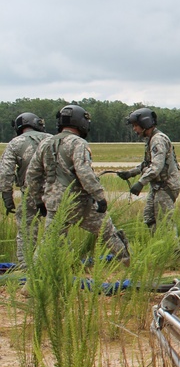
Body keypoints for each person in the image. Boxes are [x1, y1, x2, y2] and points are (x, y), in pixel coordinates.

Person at [25, 105, 130, 265]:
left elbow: (32, 175)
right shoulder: (78, 143)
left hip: (55, 205)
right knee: (107, 232)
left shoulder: (45, 144)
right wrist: (99, 196)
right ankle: (129, 265)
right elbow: (84, 171)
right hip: (79, 203)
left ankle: (33, 281)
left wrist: (38, 201)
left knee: (48, 243)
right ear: (81, 122)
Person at [118, 107, 180, 234]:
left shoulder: (158, 140)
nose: (134, 129)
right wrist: (131, 173)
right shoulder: (151, 139)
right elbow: (147, 164)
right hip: (158, 186)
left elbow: (156, 167)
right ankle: (158, 244)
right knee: (149, 218)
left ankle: (173, 251)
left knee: (165, 223)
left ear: (145, 124)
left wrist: (140, 183)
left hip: (166, 186)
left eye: (136, 126)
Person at [0, 113, 51, 267]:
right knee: (58, 228)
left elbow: (5, 172)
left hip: (30, 192)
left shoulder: (15, 143)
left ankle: (27, 267)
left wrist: (7, 196)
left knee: (26, 231)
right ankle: (57, 261)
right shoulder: (51, 139)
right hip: (55, 191)